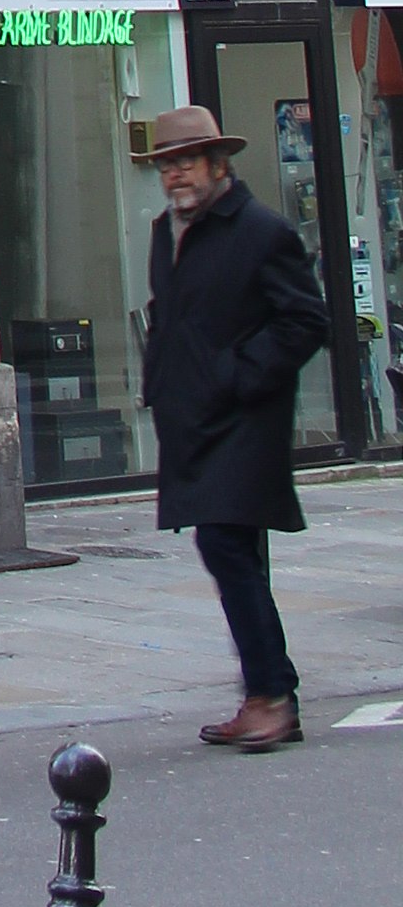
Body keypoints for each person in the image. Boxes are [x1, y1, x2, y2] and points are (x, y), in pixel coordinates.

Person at [143, 98, 333, 752]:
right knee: (234, 553)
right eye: (166, 165)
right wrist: (158, 385)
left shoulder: (261, 231)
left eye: (187, 162)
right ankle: (272, 693)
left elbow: (306, 320)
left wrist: (239, 376)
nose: (176, 176)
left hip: (245, 422)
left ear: (218, 164)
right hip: (193, 423)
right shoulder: (164, 232)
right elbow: (169, 318)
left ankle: (270, 697)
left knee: (226, 547)